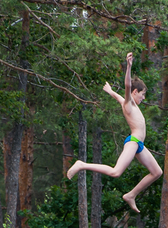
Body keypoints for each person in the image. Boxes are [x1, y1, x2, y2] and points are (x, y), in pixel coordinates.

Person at [65, 52, 161, 213]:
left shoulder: (129, 103)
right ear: (135, 93)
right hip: (133, 142)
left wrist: (110, 91)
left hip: (139, 145)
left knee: (157, 172)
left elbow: (118, 97)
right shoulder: (129, 103)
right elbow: (127, 87)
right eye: (142, 95)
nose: (143, 98)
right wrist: (129, 67)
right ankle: (82, 165)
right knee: (116, 172)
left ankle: (131, 195)